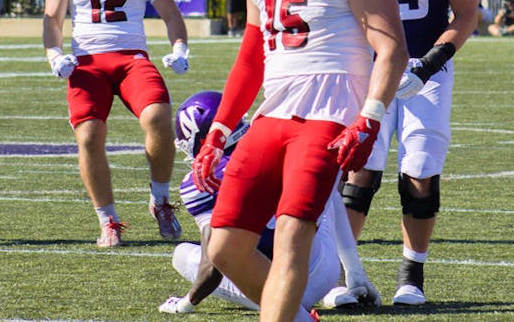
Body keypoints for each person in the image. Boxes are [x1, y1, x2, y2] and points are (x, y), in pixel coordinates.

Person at [190, 0, 416, 322]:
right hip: (272, 117)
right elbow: (251, 55)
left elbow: (392, 47)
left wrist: (369, 117)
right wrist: (218, 132)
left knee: (294, 234)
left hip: (327, 118)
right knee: (227, 246)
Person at [328, 0, 480, 306]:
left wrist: (427, 65)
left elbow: (468, 13)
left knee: (420, 169)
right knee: (359, 170)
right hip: (367, 65)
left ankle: (411, 276)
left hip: (424, 69)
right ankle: (344, 275)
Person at [42, 0, 190, 248]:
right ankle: (107, 219)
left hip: (131, 57)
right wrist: (54, 55)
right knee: (89, 136)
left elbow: (169, 11)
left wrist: (180, 46)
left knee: (158, 117)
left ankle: (159, 199)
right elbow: (53, 18)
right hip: (87, 61)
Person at [161, 91, 378, 315]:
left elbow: (213, 265)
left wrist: (185, 304)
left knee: (183, 253)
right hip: (322, 271)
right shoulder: (269, 148)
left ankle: (288, 307)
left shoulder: (200, 184)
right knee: (326, 190)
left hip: (267, 287)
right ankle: (353, 276)